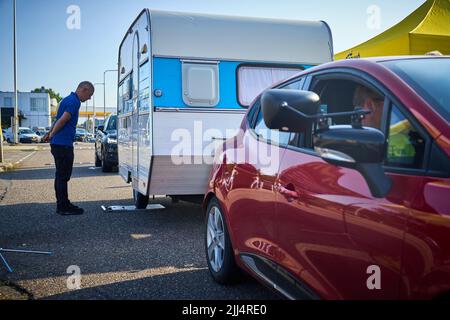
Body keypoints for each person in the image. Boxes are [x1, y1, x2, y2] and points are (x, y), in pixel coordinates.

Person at [43, 82, 94, 215]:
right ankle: (63, 207)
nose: (89, 98)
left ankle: (63, 204)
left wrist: (49, 134)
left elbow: (57, 119)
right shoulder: (74, 101)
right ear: (84, 89)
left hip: (59, 143)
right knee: (62, 176)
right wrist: (52, 134)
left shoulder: (66, 99)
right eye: (89, 95)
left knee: (60, 175)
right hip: (63, 144)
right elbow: (64, 119)